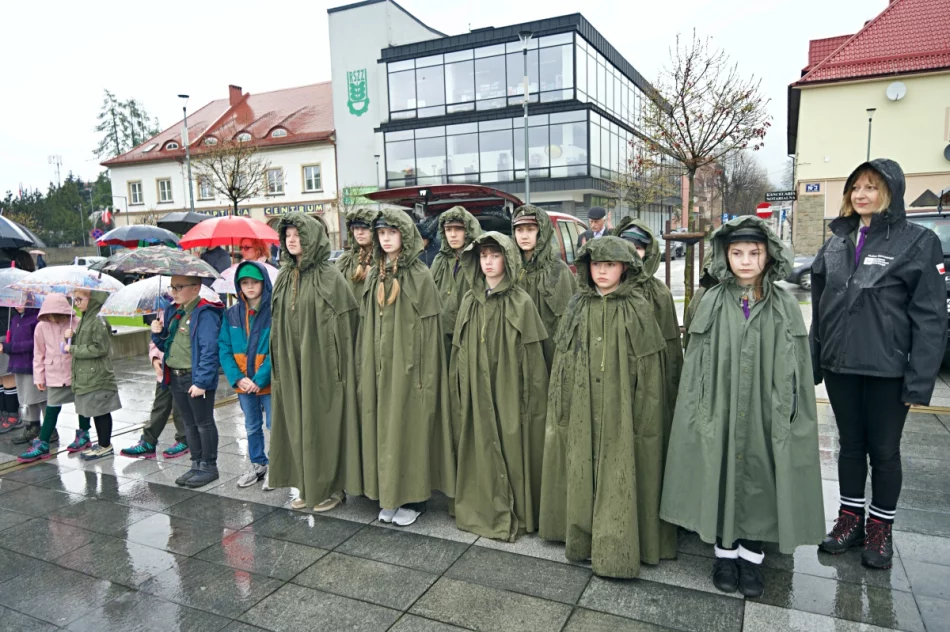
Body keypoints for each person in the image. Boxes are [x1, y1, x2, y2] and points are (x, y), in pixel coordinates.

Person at [660, 218, 824, 599]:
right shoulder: (713, 300)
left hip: (768, 403)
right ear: (726, 256)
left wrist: (787, 410)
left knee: (762, 470)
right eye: (737, 253)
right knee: (720, 467)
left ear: (768, 256)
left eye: (754, 253)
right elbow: (699, 360)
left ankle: (752, 556)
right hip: (721, 400)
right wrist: (702, 408)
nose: (746, 261)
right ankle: (724, 553)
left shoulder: (783, 303)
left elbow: (796, 364)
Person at [811, 159, 947, 570]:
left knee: (884, 451)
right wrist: (814, 362)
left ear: (891, 192)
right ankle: (850, 520)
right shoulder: (836, 241)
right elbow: (821, 309)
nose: (861, 194)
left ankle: (880, 528)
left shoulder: (917, 241)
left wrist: (919, 379)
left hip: (888, 369)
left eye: (871, 186)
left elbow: (931, 317)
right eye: (855, 187)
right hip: (841, 366)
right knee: (849, 446)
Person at [538, 237, 672, 577]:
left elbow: (649, 370)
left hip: (621, 406)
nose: (601, 271)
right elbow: (564, 361)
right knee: (581, 466)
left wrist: (644, 414)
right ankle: (581, 538)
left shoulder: (638, 308)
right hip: (582, 404)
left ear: (624, 268)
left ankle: (617, 545)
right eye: (596, 264)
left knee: (620, 470)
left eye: (609, 265)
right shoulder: (577, 306)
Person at [358, 209, 456, 527]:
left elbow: (428, 331)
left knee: (409, 429)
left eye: (392, 233)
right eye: (381, 234)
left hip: (412, 369)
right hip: (381, 367)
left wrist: (422, 374)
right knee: (386, 430)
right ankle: (391, 494)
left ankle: (414, 499)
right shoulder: (376, 273)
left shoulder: (419, 276)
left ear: (405, 236)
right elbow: (370, 323)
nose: (386, 239)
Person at [451, 232, 548, 541]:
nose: (488, 262)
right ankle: (482, 506)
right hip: (477, 389)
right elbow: (459, 348)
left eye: (495, 256)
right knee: (479, 443)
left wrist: (528, 398)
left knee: (511, 443)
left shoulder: (521, 301)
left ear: (507, 258)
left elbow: (533, 359)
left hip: (509, 389)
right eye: (483, 256)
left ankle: (517, 510)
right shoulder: (469, 300)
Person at [268, 213, 362, 511]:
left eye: (298, 234)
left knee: (323, 423)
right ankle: (307, 486)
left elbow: (347, 327)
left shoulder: (329, 276)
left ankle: (332, 488)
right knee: (297, 422)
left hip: (322, 366)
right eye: (288, 235)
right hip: (291, 363)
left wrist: (338, 368)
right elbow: (278, 319)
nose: (292, 239)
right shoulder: (283, 275)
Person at [151, 276, 224, 488]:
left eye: (179, 287)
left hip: (195, 377)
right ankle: (196, 463)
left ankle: (209, 466)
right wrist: (158, 334)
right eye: (172, 287)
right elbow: (169, 345)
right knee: (188, 423)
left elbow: (210, 350)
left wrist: (201, 381)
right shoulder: (175, 312)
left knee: (203, 423)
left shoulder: (205, 313)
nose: (173, 291)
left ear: (195, 288)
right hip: (175, 376)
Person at [613, 218, 683, 411]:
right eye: (626, 245)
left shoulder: (658, 293)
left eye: (638, 247)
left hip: (648, 376)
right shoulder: (607, 288)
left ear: (648, 252)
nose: (632, 252)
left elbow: (670, 345)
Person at [220, 261, 274, 489]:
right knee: (251, 425)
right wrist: (238, 378)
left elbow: (278, 348)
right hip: (243, 384)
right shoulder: (231, 314)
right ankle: (257, 463)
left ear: (264, 283)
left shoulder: (274, 312)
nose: (250, 287)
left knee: (274, 425)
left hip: (268, 383)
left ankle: (277, 467)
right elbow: (224, 347)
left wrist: (260, 379)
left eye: (255, 282)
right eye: (245, 282)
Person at [511, 204, 576, 368]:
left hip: (549, 350)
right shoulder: (510, 269)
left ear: (542, 231)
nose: (524, 236)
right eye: (519, 230)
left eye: (530, 229)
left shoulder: (558, 270)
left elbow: (569, 319)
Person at [66, 289, 123, 461]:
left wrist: (73, 349)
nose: (76, 303)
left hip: (97, 375)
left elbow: (100, 348)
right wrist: (71, 338)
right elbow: (85, 342)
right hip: (88, 374)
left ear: (92, 300)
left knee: (101, 411)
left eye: (79, 299)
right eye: (74, 300)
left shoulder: (97, 319)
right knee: (96, 411)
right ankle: (103, 444)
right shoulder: (86, 318)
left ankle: (105, 445)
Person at [17, 296, 74, 462]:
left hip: (75, 371)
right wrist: (39, 376)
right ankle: (43, 442)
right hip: (54, 372)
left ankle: (83, 435)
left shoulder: (74, 322)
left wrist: (72, 336)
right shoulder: (41, 326)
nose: (51, 318)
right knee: (52, 407)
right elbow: (39, 353)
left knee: (83, 405)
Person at [120, 337, 190, 460]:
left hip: (182, 370)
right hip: (164, 371)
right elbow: (155, 340)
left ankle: (185, 439)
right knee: (160, 406)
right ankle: (148, 442)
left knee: (179, 407)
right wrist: (155, 358)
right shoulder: (160, 317)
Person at [430, 206, 482, 355]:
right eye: (448, 230)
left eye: (458, 229)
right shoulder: (439, 260)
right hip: (441, 334)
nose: (452, 235)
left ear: (468, 230)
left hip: (470, 333)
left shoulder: (478, 260)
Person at [4, 305, 46, 446]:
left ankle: (49, 429)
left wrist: (10, 347)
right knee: (26, 398)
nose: (17, 305)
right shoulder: (15, 319)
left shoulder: (36, 319)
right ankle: (32, 426)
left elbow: (36, 344)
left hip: (31, 364)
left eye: (22, 301)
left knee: (39, 397)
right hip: (18, 364)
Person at [336, 208, 379, 299]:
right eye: (356, 228)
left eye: (365, 228)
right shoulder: (345, 260)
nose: (359, 232)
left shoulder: (383, 259)